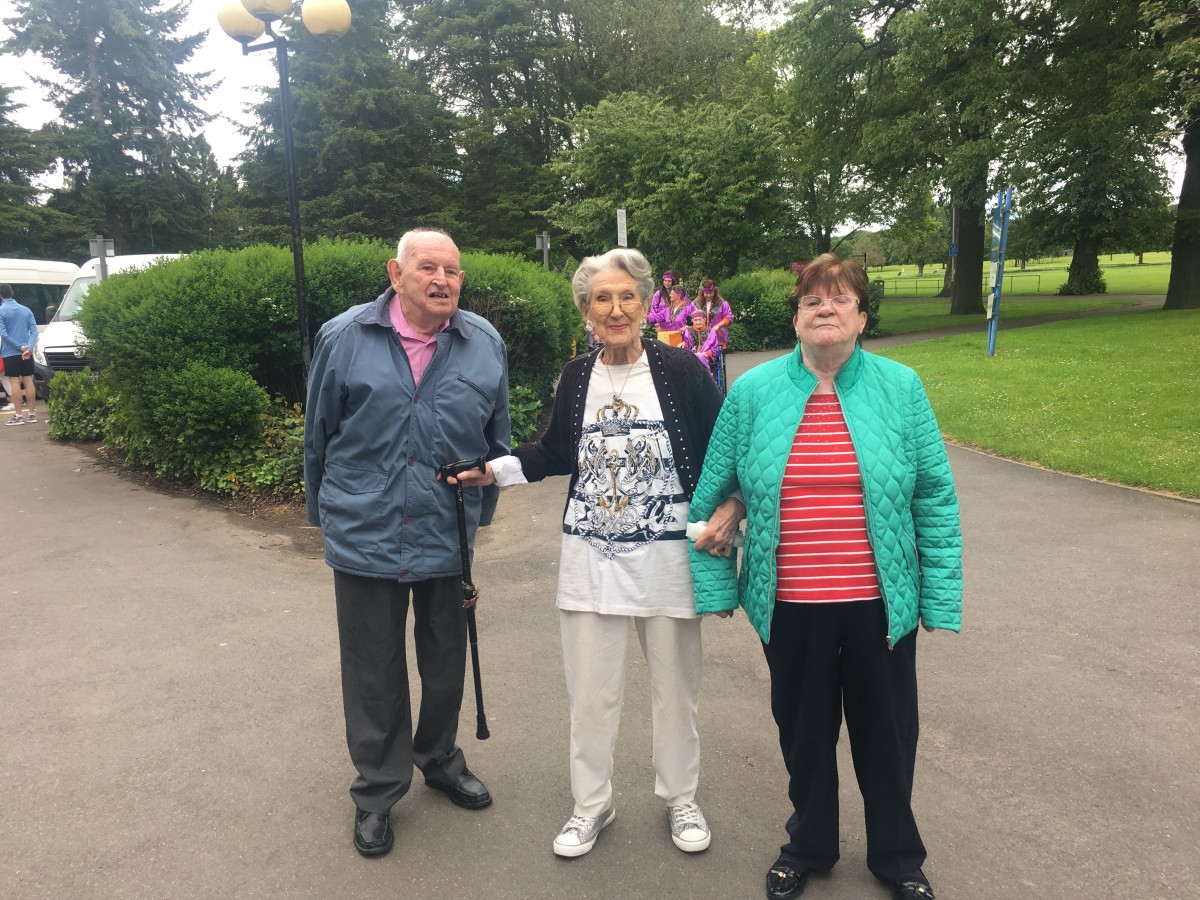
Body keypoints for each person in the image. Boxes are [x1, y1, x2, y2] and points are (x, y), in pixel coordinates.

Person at [689, 253, 962, 900]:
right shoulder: (753, 393)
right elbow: (712, 494)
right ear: (796, 318)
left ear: (862, 317)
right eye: (813, 300)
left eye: (841, 299)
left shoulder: (902, 387)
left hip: (878, 603)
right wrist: (715, 587)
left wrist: (941, 597)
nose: (826, 310)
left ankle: (897, 856)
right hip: (791, 603)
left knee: (887, 735)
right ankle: (807, 843)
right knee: (805, 734)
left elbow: (934, 497)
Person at [450, 248, 738, 859]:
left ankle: (680, 797)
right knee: (590, 693)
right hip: (591, 557)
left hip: (668, 561)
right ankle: (591, 804)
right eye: (600, 299)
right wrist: (493, 469)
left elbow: (723, 453)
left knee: (675, 690)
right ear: (585, 310)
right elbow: (555, 451)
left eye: (626, 296)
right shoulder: (577, 376)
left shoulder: (683, 369)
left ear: (643, 302)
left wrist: (729, 515)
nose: (615, 309)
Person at [303, 228, 512, 858]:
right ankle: (378, 788)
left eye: (452, 270)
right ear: (397, 274)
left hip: (447, 526)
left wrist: (482, 513)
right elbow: (319, 432)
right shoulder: (345, 337)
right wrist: (326, 514)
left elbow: (497, 437)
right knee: (373, 667)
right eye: (428, 268)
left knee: (447, 655)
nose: (442, 280)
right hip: (365, 525)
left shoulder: (483, 343)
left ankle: (440, 758)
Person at [0, 284, 40, 425]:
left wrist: (19, 347)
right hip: (27, 353)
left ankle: (18, 416)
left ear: (1, 296)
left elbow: (3, 334)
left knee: (15, 382)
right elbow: (35, 332)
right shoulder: (26, 310)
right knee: (28, 381)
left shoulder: (1, 311)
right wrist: (28, 347)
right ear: (13, 293)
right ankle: (32, 414)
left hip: (10, 352)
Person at [695, 279, 734, 349]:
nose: (709, 295)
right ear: (703, 292)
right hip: (700, 338)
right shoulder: (696, 303)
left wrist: (718, 326)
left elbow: (728, 317)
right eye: (706, 293)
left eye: (711, 293)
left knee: (718, 358)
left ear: (714, 292)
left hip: (718, 336)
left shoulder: (722, 303)